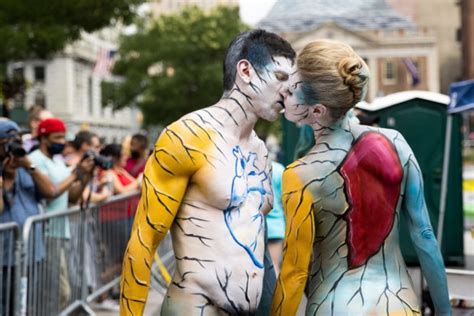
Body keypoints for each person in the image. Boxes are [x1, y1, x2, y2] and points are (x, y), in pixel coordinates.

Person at [120, 29, 295, 315]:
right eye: (280, 78)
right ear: (245, 71)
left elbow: (256, 240)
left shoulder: (260, 150)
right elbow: (143, 241)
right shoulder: (186, 137)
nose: (288, 90)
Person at [271, 40, 451, 315]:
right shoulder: (396, 142)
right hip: (399, 303)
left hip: (335, 306)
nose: (283, 91)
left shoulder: (299, 175)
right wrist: (445, 311)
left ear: (318, 111)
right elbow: (425, 236)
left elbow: (295, 271)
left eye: (293, 89)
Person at [28, 117, 95, 312]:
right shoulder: (34, 160)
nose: (61, 142)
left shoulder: (57, 161)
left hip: (61, 231)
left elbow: (71, 197)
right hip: (45, 233)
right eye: (57, 137)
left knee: (59, 291)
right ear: (43, 138)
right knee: (58, 291)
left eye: (63, 138)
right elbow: (50, 192)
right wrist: (75, 174)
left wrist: (86, 175)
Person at [0, 118, 53, 315]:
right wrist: (6, 181)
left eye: (18, 141)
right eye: (9, 142)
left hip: (31, 253)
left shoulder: (25, 169)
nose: (16, 147)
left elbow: (50, 191)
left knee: (26, 307)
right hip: (4, 259)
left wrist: (29, 166)